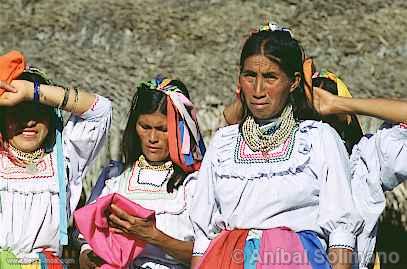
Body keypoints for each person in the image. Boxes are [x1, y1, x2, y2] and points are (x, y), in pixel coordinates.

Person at [190, 23, 363, 269]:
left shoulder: (317, 139)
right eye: (250, 76)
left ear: (292, 82)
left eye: (270, 77)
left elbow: (341, 231)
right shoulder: (223, 143)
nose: (258, 90)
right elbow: (203, 236)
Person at [224, 69, 407, 269]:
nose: (320, 124)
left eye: (328, 117)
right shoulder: (285, 163)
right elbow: (231, 119)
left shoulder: (364, 162)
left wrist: (338, 104)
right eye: (308, 114)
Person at [78, 76, 206, 269]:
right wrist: (87, 256)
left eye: (163, 129)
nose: (152, 138)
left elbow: (208, 254)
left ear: (181, 130)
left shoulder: (194, 184)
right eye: (145, 127)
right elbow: (85, 239)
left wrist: (153, 236)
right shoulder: (115, 178)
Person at [0, 51, 112, 268]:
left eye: (37, 111)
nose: (29, 121)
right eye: (17, 112)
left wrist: (33, 92)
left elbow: (101, 110)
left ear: (51, 117)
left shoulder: (64, 158)